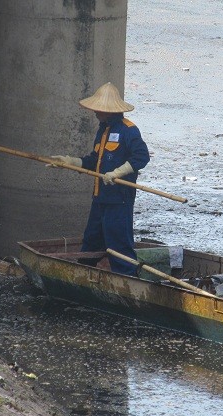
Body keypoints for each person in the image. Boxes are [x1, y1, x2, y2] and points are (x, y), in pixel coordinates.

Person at [49, 82, 150, 276]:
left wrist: (118, 172)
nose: (95, 112)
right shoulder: (102, 130)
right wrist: (70, 162)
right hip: (100, 198)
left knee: (119, 245)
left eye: (99, 109)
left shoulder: (129, 130)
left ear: (110, 111)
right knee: (91, 242)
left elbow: (141, 157)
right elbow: (94, 161)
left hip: (119, 200)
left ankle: (128, 280)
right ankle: (83, 274)